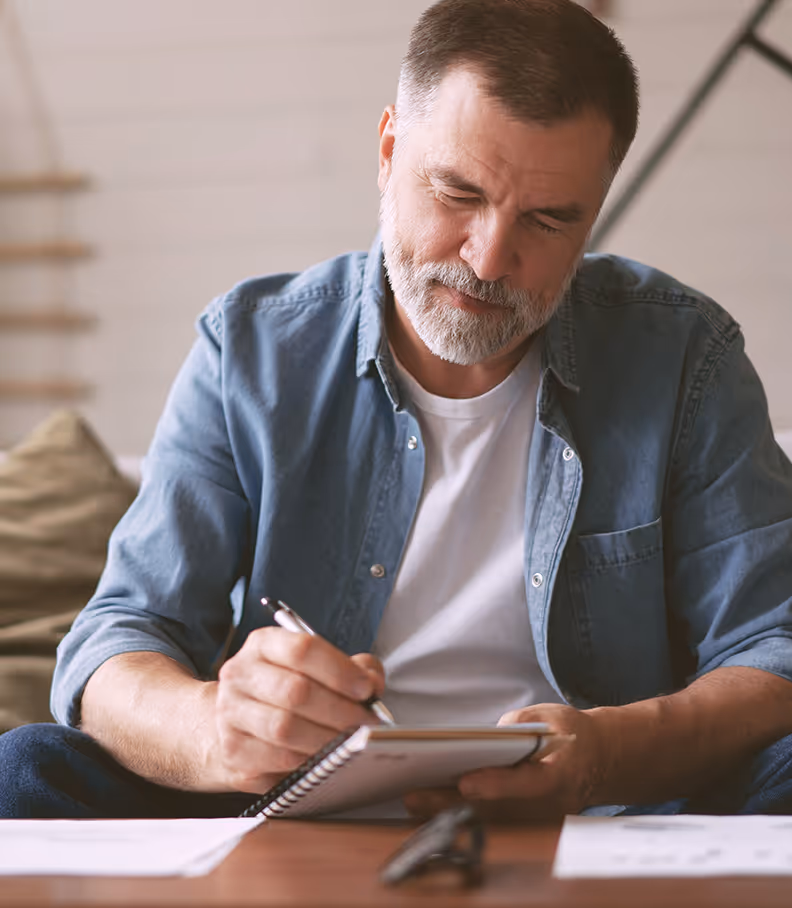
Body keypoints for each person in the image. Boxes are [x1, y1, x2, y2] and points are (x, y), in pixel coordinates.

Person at [3, 0, 792, 821]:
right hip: (284, 806)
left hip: (607, 814)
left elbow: (776, 644)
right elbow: (117, 640)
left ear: (595, 209)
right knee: (24, 771)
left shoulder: (683, 356)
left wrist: (613, 757)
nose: (488, 258)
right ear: (387, 152)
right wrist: (215, 728)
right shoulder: (251, 350)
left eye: (549, 219)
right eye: (457, 192)